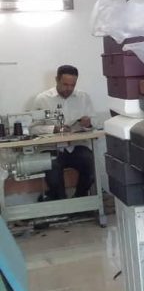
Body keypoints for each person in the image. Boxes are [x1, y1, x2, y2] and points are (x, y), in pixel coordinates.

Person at [34, 65, 95, 200]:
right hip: (51, 148)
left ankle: (79, 199)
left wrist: (88, 124)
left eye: (72, 85)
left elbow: (94, 124)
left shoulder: (83, 97)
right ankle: (62, 202)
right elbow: (33, 128)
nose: (69, 89)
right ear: (57, 80)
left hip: (76, 146)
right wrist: (53, 129)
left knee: (91, 164)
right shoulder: (43, 99)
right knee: (53, 173)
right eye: (65, 84)